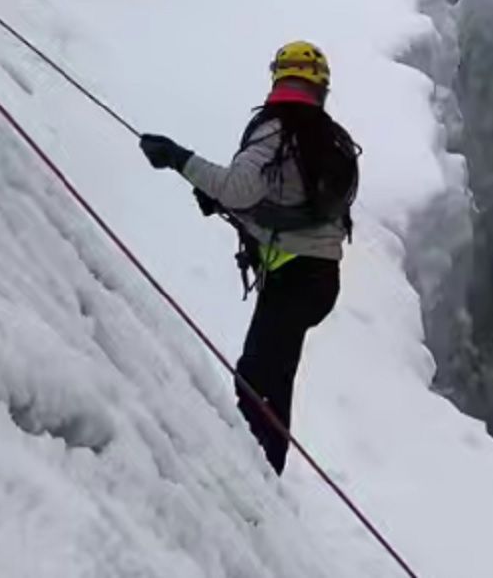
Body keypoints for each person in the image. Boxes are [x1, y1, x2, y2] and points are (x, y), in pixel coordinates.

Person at [138, 41, 359, 473]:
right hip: (317, 277)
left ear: (279, 77)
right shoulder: (330, 138)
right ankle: (261, 471)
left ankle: (257, 476)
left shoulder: (275, 131)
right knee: (272, 377)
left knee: (258, 379)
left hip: (293, 277)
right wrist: (228, 204)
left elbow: (241, 188)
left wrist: (179, 160)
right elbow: (295, 207)